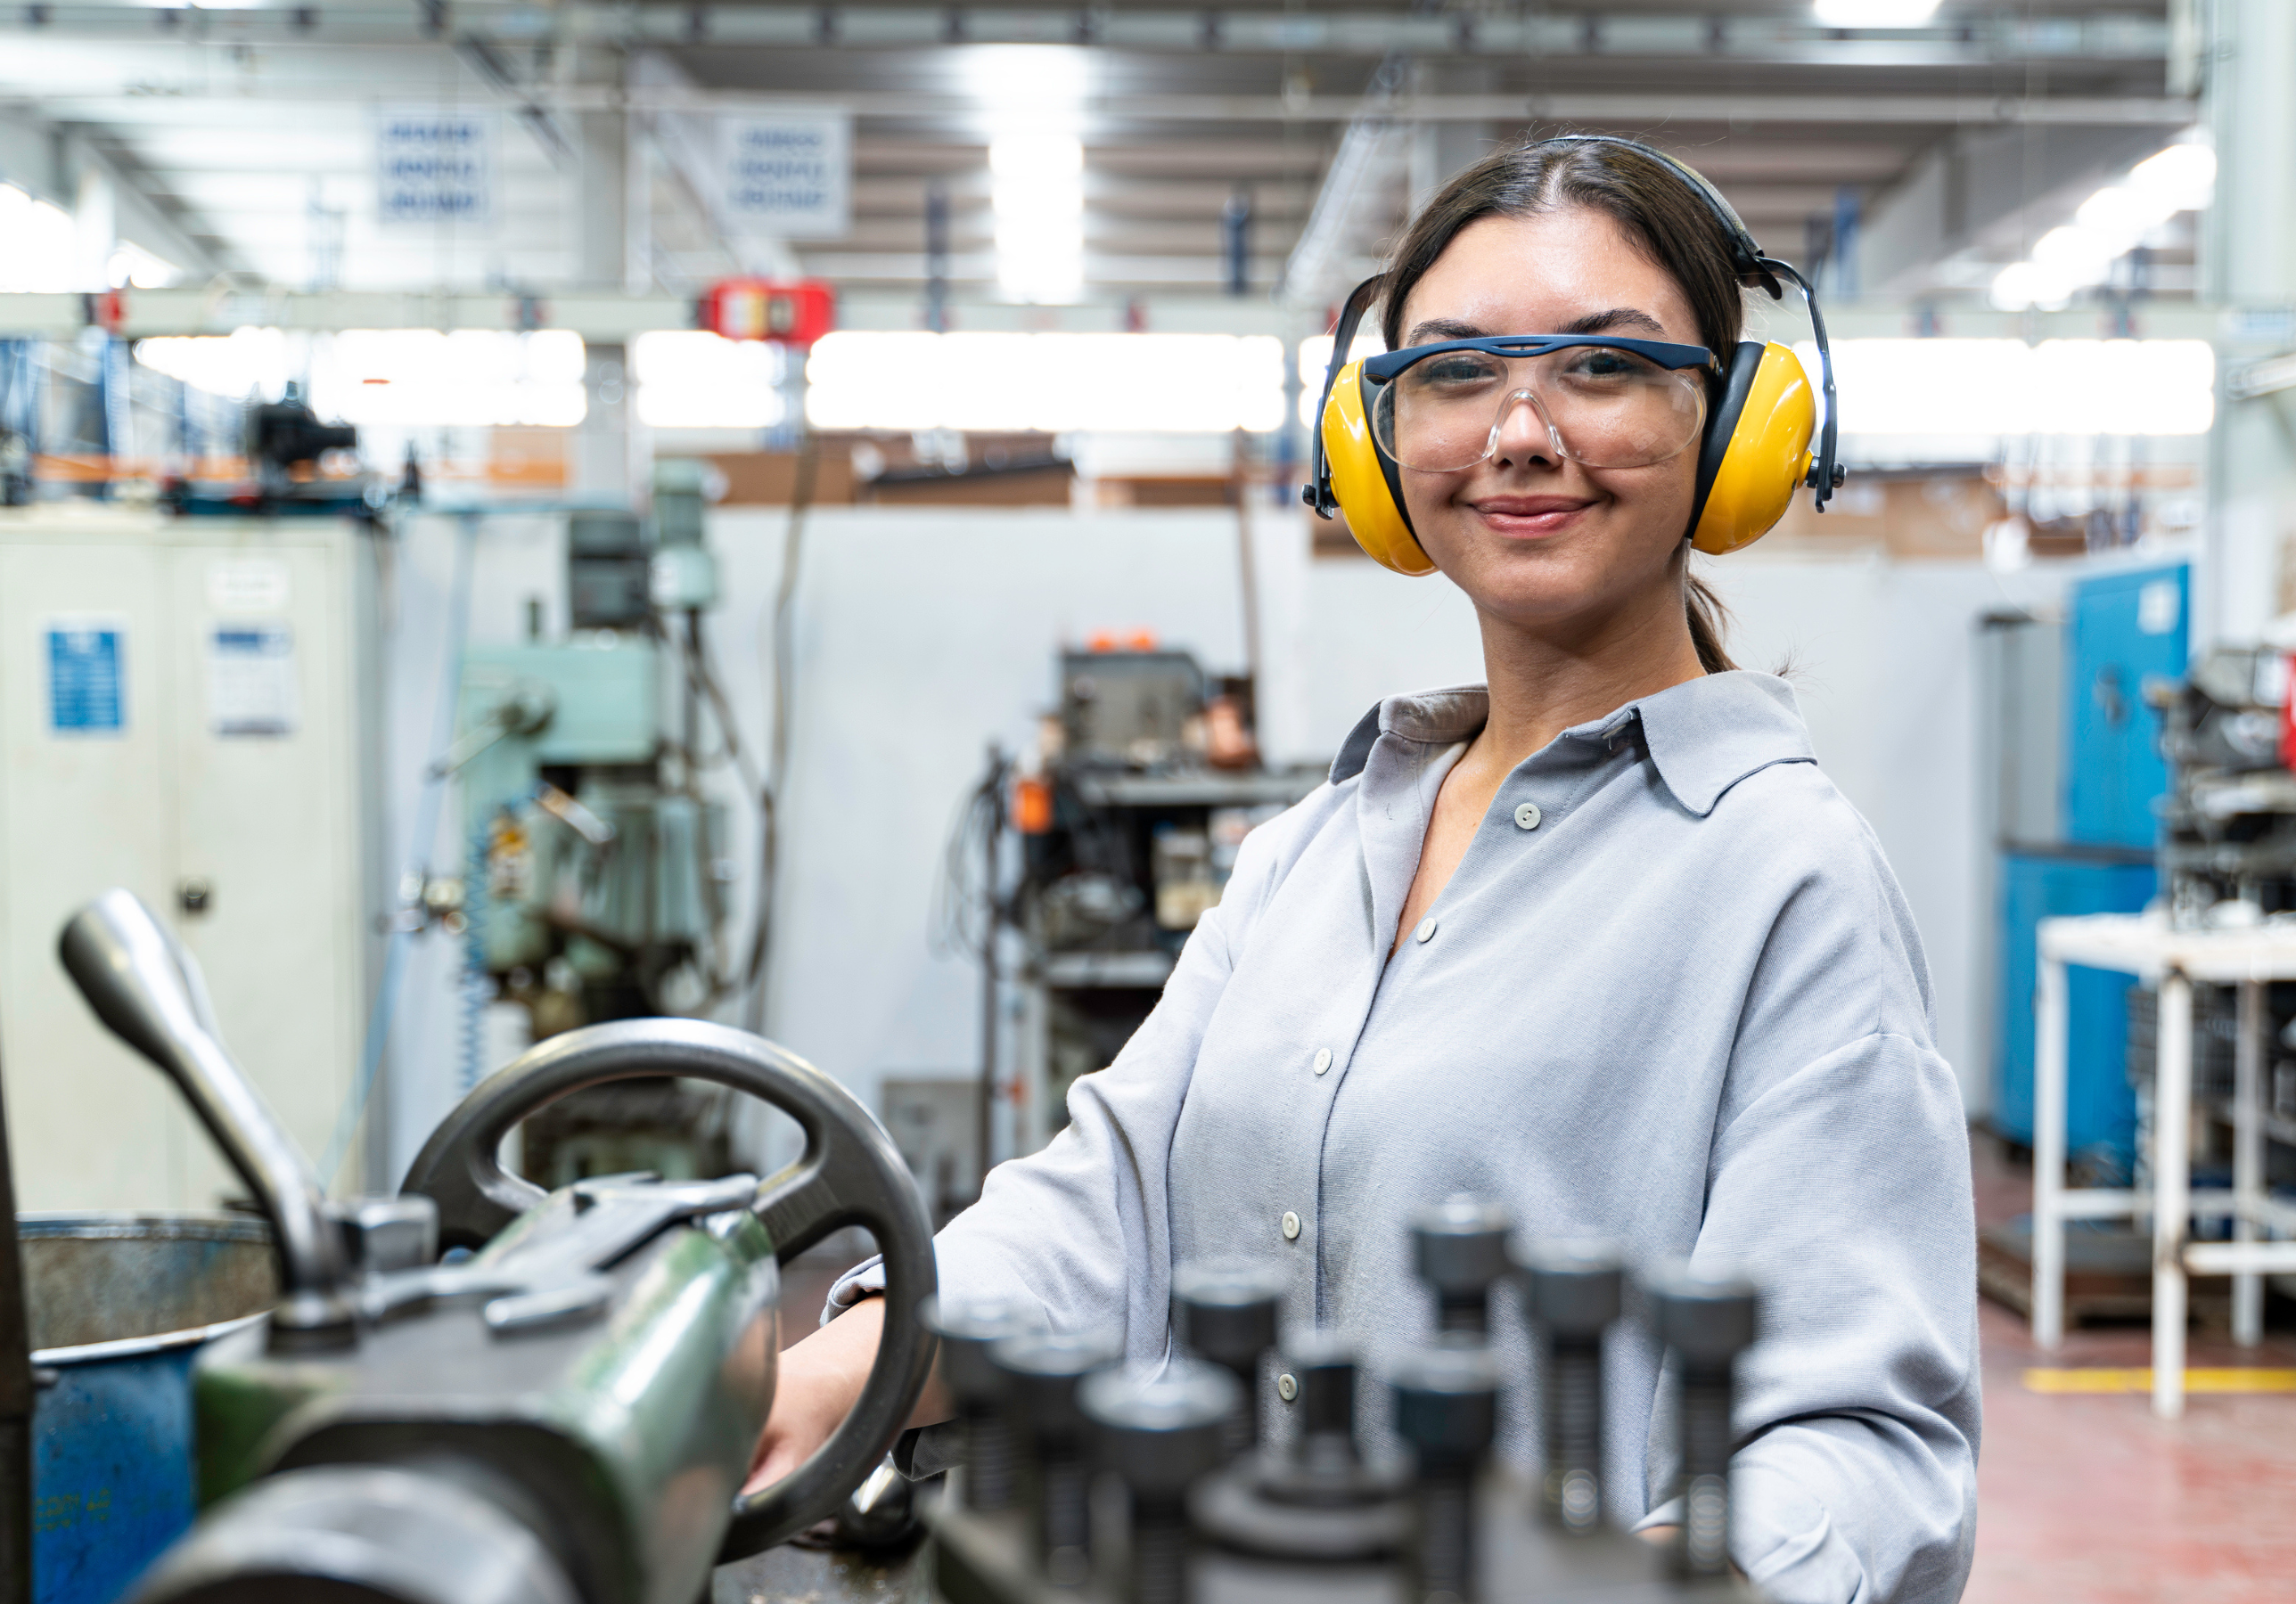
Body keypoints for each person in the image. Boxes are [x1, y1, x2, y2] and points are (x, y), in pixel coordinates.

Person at [755, 135, 1980, 1603]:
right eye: (1455, 373)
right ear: (1377, 446)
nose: (1521, 433)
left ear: (1734, 432)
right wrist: (835, 1374)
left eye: (1602, 367)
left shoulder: (1785, 878)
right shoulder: (1314, 851)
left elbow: (1863, 1439)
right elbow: (1109, 1207)